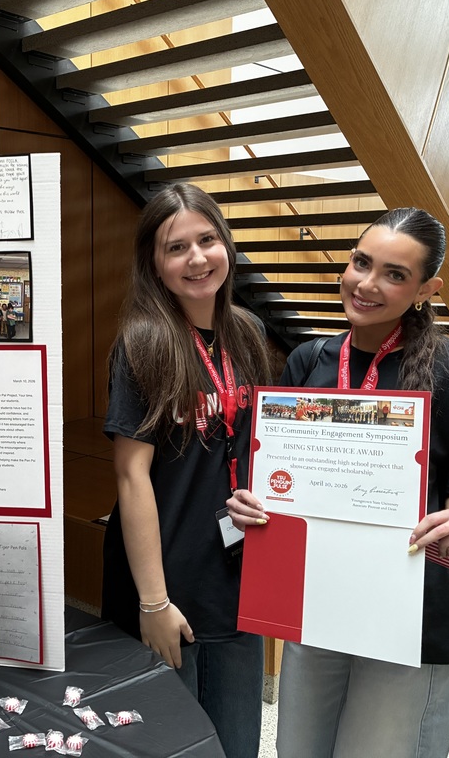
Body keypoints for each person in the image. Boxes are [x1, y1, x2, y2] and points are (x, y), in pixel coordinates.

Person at [227, 208, 449, 758]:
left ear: (427, 289)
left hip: (408, 598)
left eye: (395, 274)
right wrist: (251, 503)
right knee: (300, 745)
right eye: (361, 263)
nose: (367, 284)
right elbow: (278, 475)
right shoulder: (309, 360)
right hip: (320, 595)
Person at [100, 183, 271, 758]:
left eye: (207, 239)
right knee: (174, 742)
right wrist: (153, 602)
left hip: (236, 573)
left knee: (238, 738)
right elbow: (131, 478)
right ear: (154, 262)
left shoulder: (247, 332)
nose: (197, 259)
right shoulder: (144, 343)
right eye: (177, 248)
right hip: (168, 582)